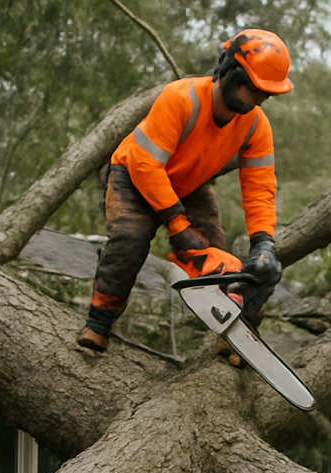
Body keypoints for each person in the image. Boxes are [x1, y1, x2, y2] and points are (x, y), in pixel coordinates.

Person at [75, 28, 292, 353]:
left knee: (217, 257)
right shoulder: (181, 97)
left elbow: (260, 187)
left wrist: (263, 243)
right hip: (133, 174)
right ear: (230, 72)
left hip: (188, 185)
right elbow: (146, 165)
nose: (257, 98)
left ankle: (235, 334)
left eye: (264, 93)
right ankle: (98, 324)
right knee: (130, 240)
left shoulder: (256, 126)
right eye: (252, 87)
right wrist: (178, 225)